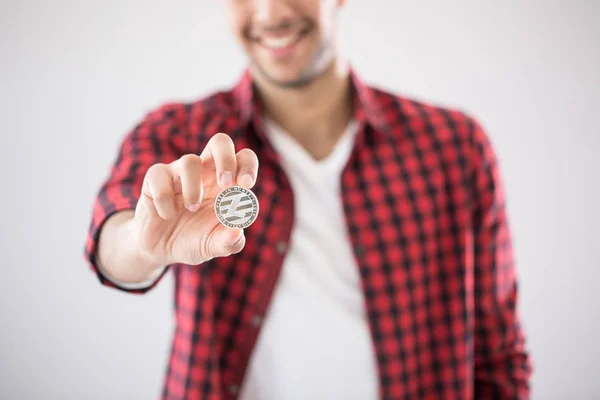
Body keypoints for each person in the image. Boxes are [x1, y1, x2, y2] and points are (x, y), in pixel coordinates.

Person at [84, 0, 532, 399]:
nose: (270, 13)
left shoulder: (453, 147)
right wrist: (144, 245)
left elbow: (498, 354)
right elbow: (112, 237)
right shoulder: (178, 135)